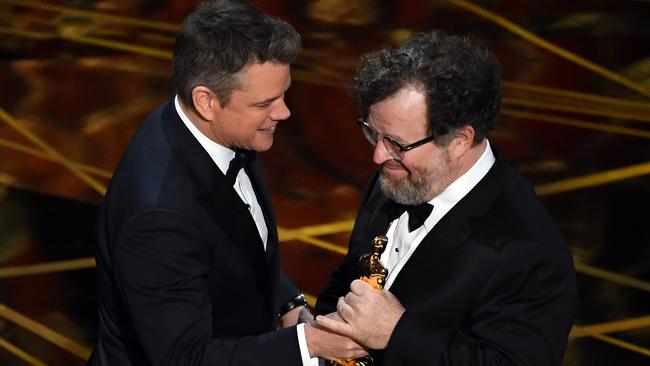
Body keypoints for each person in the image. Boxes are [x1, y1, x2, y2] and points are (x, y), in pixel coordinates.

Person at [88, 1, 365, 365]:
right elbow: (184, 359)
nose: (284, 112)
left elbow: (237, 248)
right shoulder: (158, 219)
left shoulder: (212, 130)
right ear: (206, 101)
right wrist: (307, 345)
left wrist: (288, 303)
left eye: (284, 94)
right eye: (265, 102)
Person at [315, 30, 577, 365]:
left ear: (460, 140)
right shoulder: (397, 176)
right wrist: (320, 333)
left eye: (396, 143)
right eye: (372, 132)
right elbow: (351, 275)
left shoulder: (528, 251)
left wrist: (396, 333)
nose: (378, 156)